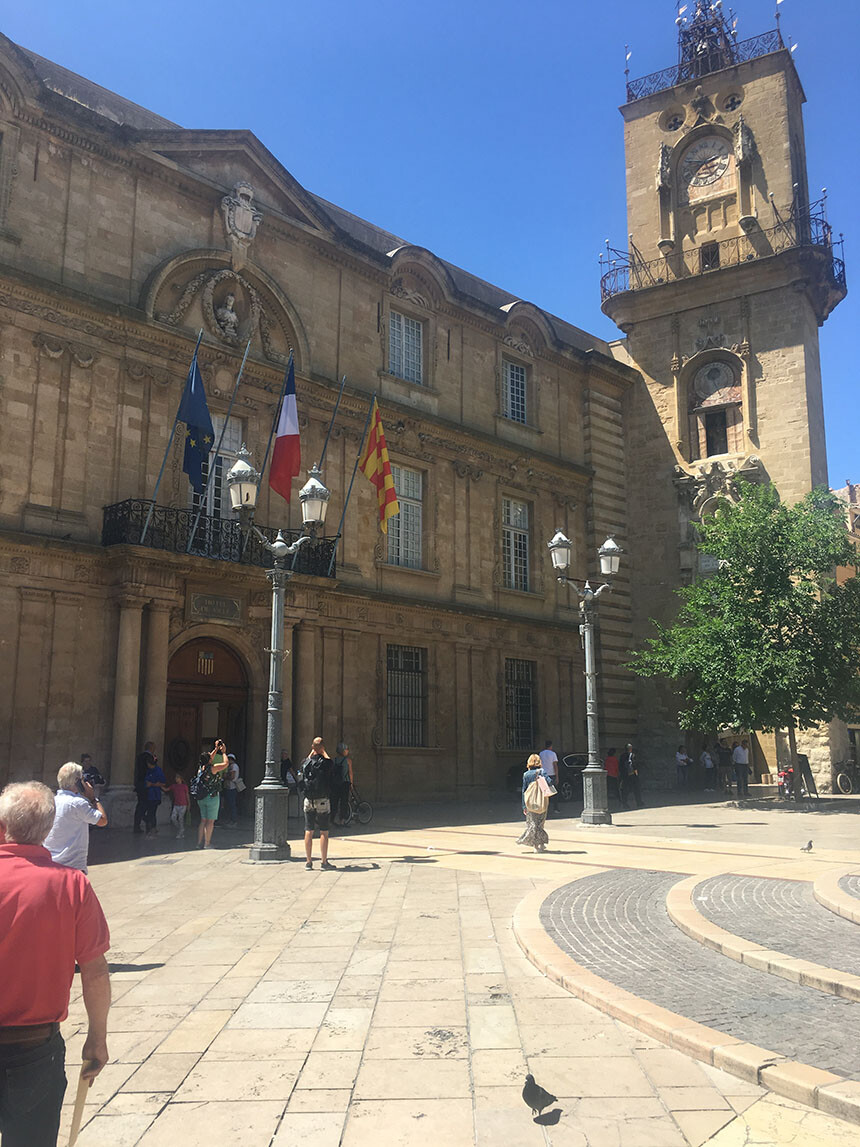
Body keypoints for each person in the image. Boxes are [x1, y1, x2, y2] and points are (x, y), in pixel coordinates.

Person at [0, 781, 111, 1147]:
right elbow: (94, 972)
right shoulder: (73, 887)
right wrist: (96, 1038)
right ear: (47, 831)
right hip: (34, 1048)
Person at [43, 762, 107, 874]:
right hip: (72, 866)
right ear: (78, 781)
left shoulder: (51, 802)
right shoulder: (78, 803)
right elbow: (102, 820)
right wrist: (93, 798)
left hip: (51, 863)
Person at [299, 737, 334, 870]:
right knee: (324, 831)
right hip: (322, 800)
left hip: (308, 800)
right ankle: (324, 861)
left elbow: (303, 766)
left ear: (312, 748)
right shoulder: (325, 763)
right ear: (322, 747)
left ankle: (308, 861)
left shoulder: (305, 762)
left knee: (308, 830)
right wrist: (322, 751)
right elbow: (330, 763)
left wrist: (312, 751)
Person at [193, 741, 230, 849]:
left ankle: (198, 843)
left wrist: (215, 748)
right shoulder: (213, 768)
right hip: (212, 797)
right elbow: (226, 764)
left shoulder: (201, 768)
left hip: (201, 797)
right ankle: (207, 843)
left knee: (202, 820)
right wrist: (223, 753)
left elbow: (208, 758)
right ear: (210, 760)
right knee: (210, 821)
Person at [517, 753, 552, 852]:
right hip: (542, 801)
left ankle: (535, 846)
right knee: (540, 823)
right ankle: (540, 844)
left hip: (530, 802)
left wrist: (524, 806)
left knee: (532, 824)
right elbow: (550, 782)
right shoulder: (541, 772)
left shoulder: (526, 775)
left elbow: (524, 791)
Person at [132, 741, 156, 834]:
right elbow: (152, 769)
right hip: (147, 785)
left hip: (139, 784)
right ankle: (148, 824)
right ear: (151, 748)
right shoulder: (150, 757)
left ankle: (137, 825)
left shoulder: (139, 757)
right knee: (147, 805)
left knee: (140, 805)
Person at [143, 755, 168, 838]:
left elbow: (163, 783)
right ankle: (150, 829)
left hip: (155, 795)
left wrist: (152, 784)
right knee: (145, 813)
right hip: (147, 795)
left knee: (152, 813)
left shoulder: (158, 771)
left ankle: (152, 830)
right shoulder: (148, 771)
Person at [331, 742, 353, 826]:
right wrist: (351, 783)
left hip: (336, 784)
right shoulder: (348, 761)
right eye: (346, 749)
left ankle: (332, 819)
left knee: (334, 801)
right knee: (344, 801)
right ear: (343, 751)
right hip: (345, 783)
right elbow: (350, 773)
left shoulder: (334, 760)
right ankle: (342, 820)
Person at [619, 744, 644, 809]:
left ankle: (625, 803)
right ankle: (639, 802)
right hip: (632, 775)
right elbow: (635, 765)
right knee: (636, 789)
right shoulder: (632, 755)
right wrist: (636, 773)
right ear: (630, 749)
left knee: (625, 790)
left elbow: (620, 766)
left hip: (625, 775)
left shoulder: (622, 756)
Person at [538, 739, 559, 815]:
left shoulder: (541, 753)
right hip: (551, 775)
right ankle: (555, 808)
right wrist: (557, 776)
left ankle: (544, 808)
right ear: (551, 746)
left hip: (543, 775)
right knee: (553, 792)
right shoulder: (553, 754)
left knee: (544, 792)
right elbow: (555, 765)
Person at [220, 754, 240, 827]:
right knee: (229, 804)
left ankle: (234, 821)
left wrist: (225, 777)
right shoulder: (231, 766)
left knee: (232, 805)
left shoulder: (234, 766)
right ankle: (231, 819)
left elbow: (232, 777)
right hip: (228, 787)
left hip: (232, 787)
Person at [167, 773, 189, 839]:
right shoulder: (174, 786)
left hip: (183, 804)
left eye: (177, 778)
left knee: (180, 818)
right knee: (173, 817)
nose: (176, 779)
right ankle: (180, 828)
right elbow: (167, 789)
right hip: (176, 804)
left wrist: (189, 803)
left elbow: (187, 795)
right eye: (176, 778)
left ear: (181, 779)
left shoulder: (184, 786)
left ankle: (181, 832)